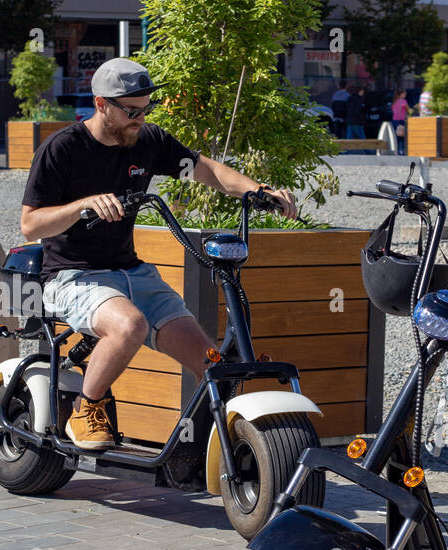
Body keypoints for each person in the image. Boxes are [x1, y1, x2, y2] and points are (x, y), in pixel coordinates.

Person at [20, 57, 298, 451]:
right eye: (131, 111)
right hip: (72, 276)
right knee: (129, 327)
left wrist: (258, 191)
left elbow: (205, 170)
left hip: (134, 273)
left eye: (146, 108)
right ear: (101, 105)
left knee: (211, 364)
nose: (140, 118)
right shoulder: (63, 148)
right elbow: (31, 224)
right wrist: (84, 206)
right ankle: (87, 407)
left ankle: (214, 448)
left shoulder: (148, 141)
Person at [390, 89, 408, 155]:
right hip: (401, 121)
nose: (405, 95)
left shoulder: (394, 101)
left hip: (394, 121)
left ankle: (396, 151)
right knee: (402, 137)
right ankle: (402, 151)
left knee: (395, 137)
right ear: (401, 94)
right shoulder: (403, 101)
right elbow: (408, 109)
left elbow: (392, 110)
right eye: (404, 94)